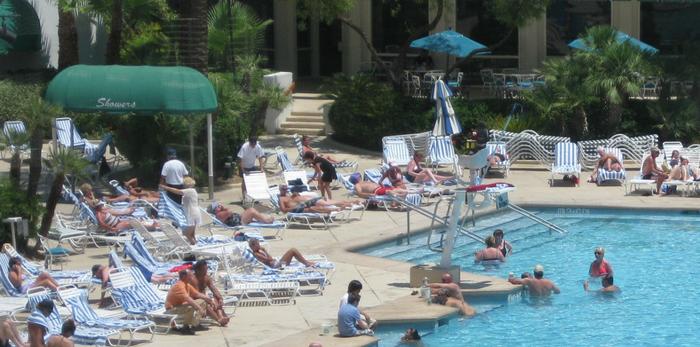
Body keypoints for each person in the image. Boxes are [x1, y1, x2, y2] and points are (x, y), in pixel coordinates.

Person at [165, 270, 225, 335]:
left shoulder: (186, 284)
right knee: (191, 306)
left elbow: (197, 294)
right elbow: (188, 299)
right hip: (171, 309)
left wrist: (210, 300)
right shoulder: (179, 285)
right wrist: (200, 309)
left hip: (179, 307)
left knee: (202, 301)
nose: (193, 277)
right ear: (184, 276)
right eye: (190, 275)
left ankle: (195, 324)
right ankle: (185, 327)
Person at [160, 177, 200, 244]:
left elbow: (177, 191)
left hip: (191, 213)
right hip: (195, 212)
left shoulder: (189, 190)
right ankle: (194, 243)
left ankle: (194, 244)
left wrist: (166, 187)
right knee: (192, 233)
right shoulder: (193, 191)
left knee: (186, 233)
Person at [190, 261, 230, 327]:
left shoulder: (206, 278)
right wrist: (209, 301)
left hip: (205, 299)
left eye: (206, 269)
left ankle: (220, 316)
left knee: (216, 297)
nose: (206, 272)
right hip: (195, 301)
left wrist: (220, 298)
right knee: (205, 303)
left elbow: (213, 289)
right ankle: (219, 320)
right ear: (197, 270)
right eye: (204, 270)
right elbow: (196, 295)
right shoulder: (193, 279)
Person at [278, 185, 359, 214]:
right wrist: (294, 207)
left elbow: (298, 198)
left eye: (286, 189)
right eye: (284, 189)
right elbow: (283, 210)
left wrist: (296, 195)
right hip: (297, 208)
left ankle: (351, 202)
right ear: (280, 190)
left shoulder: (289, 194)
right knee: (312, 208)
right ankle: (336, 209)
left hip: (307, 202)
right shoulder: (281, 199)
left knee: (328, 202)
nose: (285, 190)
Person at [248, 239, 316, 268]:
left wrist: (264, 251)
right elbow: (269, 259)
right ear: (253, 246)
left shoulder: (259, 251)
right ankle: (306, 263)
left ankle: (306, 262)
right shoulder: (256, 254)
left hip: (276, 264)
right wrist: (265, 251)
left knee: (293, 251)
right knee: (293, 250)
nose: (259, 245)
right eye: (257, 244)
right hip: (276, 267)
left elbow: (270, 258)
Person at [208, 202, 275, 227]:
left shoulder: (220, 213)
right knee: (251, 211)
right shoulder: (219, 215)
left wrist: (222, 208)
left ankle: (265, 218)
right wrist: (223, 208)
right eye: (217, 206)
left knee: (251, 211)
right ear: (215, 210)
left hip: (238, 219)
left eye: (218, 205)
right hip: (239, 222)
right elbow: (230, 212)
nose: (219, 206)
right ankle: (266, 220)